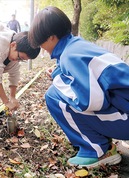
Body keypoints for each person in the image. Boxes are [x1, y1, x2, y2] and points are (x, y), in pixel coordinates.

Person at [28, 6, 128, 168]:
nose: (41, 47)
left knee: (53, 96)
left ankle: (96, 151)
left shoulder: (70, 56)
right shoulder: (76, 46)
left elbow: (90, 102)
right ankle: (99, 142)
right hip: (124, 109)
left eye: (41, 42)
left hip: (126, 119)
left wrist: (57, 78)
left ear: (52, 37)